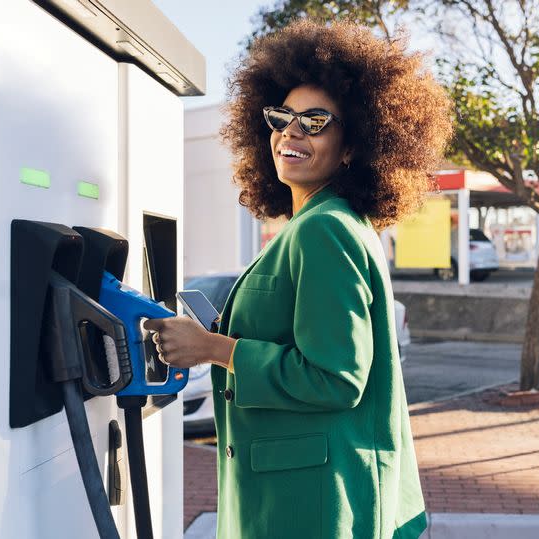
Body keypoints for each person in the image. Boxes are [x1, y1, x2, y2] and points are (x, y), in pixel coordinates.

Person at [143, 19, 452, 539]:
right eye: (282, 117)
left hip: (312, 503)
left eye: (315, 121)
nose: (291, 131)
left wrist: (213, 348)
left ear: (353, 145)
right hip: (304, 493)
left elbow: (336, 377)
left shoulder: (324, 231)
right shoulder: (324, 224)